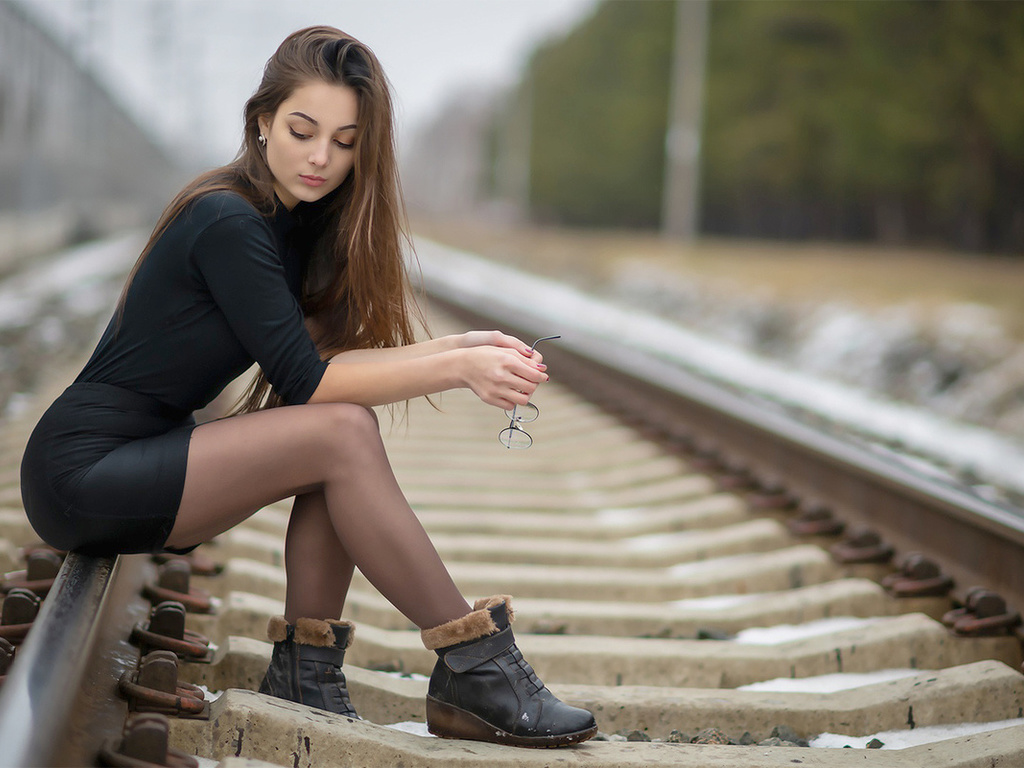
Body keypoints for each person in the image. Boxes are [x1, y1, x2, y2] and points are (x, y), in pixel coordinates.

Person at [19, 26, 596, 748]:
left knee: (341, 429)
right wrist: (455, 364)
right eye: (301, 129)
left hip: (147, 453)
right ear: (261, 122)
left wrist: (462, 345)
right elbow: (308, 382)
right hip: (83, 468)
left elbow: (327, 373)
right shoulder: (226, 218)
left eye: (345, 140)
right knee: (342, 429)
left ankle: (307, 670)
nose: (321, 157)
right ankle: (475, 664)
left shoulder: (294, 230)